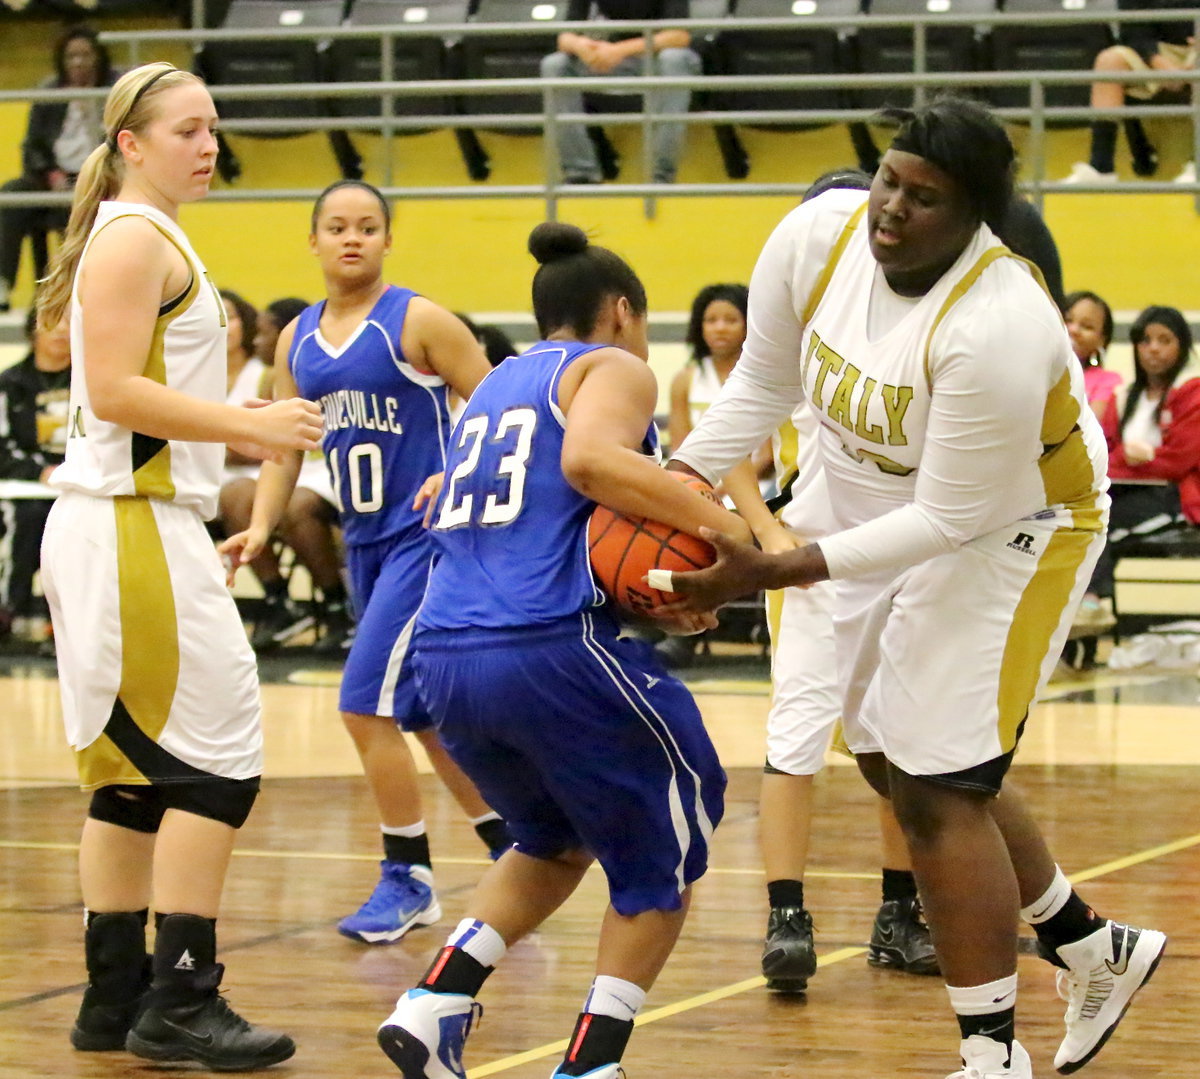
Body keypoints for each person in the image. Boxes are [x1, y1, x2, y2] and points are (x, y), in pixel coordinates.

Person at [662, 96, 1166, 1079]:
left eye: (922, 196)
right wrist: (667, 488)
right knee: (896, 757)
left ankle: (992, 1055)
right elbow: (762, 386)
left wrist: (772, 563)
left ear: (972, 214)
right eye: (889, 178)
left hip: (1014, 524)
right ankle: (1089, 941)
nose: (890, 207)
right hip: (859, 504)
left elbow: (943, 519)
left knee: (937, 787)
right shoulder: (817, 237)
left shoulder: (998, 322)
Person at [374, 220, 745, 1079]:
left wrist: (664, 587)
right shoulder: (613, 368)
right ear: (621, 311)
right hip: (544, 646)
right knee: (669, 846)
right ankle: (589, 1065)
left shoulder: (499, 386)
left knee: (550, 839)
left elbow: (537, 513)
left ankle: (433, 1003)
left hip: (446, 653)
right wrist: (730, 543)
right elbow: (588, 463)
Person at [36, 61, 322, 1069]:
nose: (208, 145)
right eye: (188, 129)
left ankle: (113, 1000)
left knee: (130, 780)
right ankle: (184, 995)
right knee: (218, 759)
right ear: (129, 142)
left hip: (132, 523)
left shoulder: (142, 235)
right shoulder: (131, 238)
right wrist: (250, 422)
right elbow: (112, 391)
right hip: (129, 524)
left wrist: (228, 434)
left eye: (214, 128)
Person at [221, 179, 511, 945]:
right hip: (365, 544)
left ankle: (408, 875)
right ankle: (509, 841)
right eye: (337, 226)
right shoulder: (297, 340)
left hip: (429, 538)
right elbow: (286, 446)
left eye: (369, 226)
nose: (352, 237)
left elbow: (500, 409)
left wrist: (459, 470)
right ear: (312, 240)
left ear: (388, 239)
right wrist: (258, 524)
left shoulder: (417, 320)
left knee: (363, 704)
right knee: (419, 713)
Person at [216, 290, 348, 653]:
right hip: (230, 473)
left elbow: (279, 439)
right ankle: (279, 602)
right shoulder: (198, 374)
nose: (225, 325)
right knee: (239, 496)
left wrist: (223, 438)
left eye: (233, 316)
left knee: (262, 498)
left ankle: (335, 605)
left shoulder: (268, 375)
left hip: (296, 468)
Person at [1082, 304, 1200, 626]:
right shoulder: (1124, 397)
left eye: (1165, 340)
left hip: (1173, 498)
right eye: (1145, 340)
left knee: (1101, 525)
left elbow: (1179, 461)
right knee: (1081, 518)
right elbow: (1108, 454)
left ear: (1182, 346)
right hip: (1125, 491)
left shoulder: (1192, 393)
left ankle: (1092, 602)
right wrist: (1133, 461)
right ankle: (1087, 608)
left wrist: (1142, 460)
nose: (1153, 349)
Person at [0, 25, 116, 312]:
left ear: (98, 58)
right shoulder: (49, 94)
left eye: (85, 55)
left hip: (96, 179)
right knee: (11, 196)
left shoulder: (113, 92)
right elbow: (32, 147)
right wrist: (49, 173)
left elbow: (120, 147)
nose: (78, 63)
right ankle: (2, 283)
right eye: (71, 57)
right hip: (53, 177)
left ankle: (83, 294)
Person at [540, 0, 700, 184]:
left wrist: (618, 50)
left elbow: (678, 37)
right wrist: (580, 46)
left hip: (663, 58)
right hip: (620, 57)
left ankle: (661, 176)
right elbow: (564, 38)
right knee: (555, 65)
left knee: (673, 59)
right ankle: (581, 173)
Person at [1063, 0, 1197, 185]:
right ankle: (1101, 168)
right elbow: (1133, 31)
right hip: (1157, 50)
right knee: (1110, 61)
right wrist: (1161, 65)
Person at [0, 307, 70, 641]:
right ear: (32, 332)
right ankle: (9, 610)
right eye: (51, 324)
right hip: (23, 488)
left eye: (68, 323)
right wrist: (38, 471)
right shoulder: (10, 383)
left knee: (76, 526)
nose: (60, 332)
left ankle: (65, 620)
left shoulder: (90, 383)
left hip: (77, 485)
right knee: (26, 517)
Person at [1064, 290, 1122, 422]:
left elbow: (1089, 426)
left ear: (1102, 340)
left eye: (1087, 326)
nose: (1074, 330)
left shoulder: (1108, 381)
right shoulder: (1039, 373)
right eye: (1068, 320)